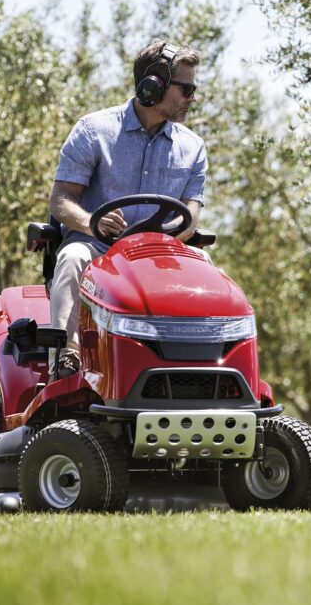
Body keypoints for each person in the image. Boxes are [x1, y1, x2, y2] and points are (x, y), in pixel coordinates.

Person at [47, 40, 207, 378]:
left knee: (206, 265)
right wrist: (91, 222)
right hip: (97, 249)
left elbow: (190, 217)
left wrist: (173, 233)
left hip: (158, 255)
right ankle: (65, 358)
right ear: (153, 86)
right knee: (72, 257)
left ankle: (203, 366)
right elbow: (60, 201)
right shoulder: (93, 131)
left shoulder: (193, 148)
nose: (192, 98)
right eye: (186, 89)